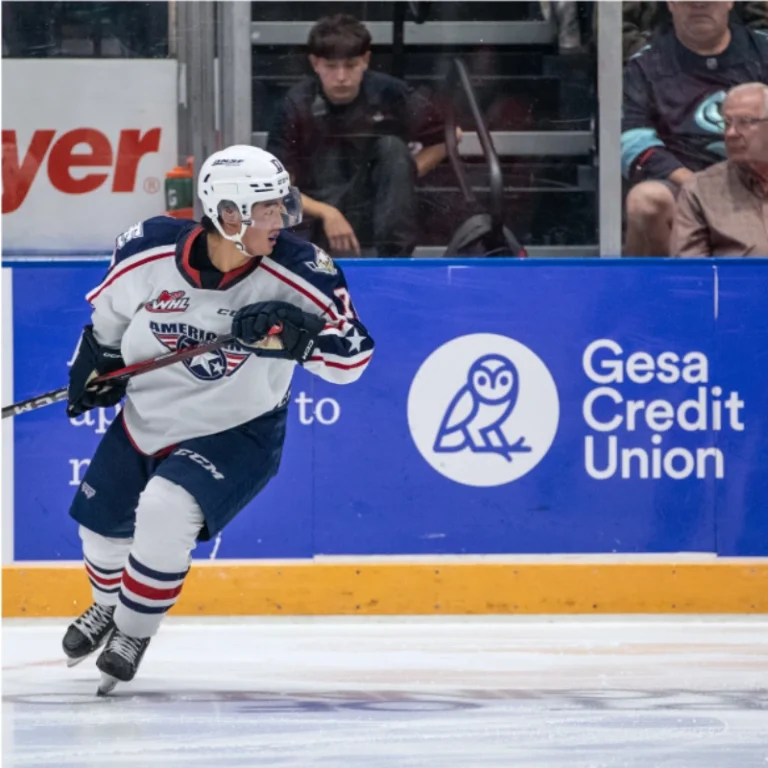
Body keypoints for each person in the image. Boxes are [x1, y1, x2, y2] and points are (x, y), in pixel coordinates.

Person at [61, 145, 374, 695]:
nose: (283, 220)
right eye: (268, 209)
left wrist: (296, 336)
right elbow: (107, 318)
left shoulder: (301, 272)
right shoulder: (148, 250)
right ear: (227, 214)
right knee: (100, 530)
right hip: (149, 412)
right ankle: (108, 607)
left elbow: (353, 360)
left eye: (282, 206)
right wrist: (96, 367)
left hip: (239, 426)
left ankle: (133, 632)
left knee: (165, 509)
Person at [266, 13, 454, 258]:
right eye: (332, 67)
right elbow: (278, 188)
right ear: (315, 64)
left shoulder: (389, 92)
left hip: (375, 208)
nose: (342, 77)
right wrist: (327, 213)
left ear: (365, 60)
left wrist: (402, 174)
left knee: (392, 147)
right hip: (316, 215)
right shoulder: (296, 104)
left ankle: (394, 264)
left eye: (351, 65)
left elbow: (447, 138)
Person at [622, 1, 768, 256]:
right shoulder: (645, 65)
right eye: (689, 1)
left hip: (761, 179)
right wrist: (697, 186)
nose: (699, 5)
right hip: (682, 181)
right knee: (645, 201)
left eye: (709, 0)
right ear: (671, 4)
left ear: (729, 2)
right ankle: (658, 292)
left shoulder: (763, 51)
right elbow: (632, 142)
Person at [672, 82, 768, 257]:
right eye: (727, 123)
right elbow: (690, 276)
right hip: (734, 284)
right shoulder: (701, 190)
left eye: (745, 122)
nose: (731, 133)